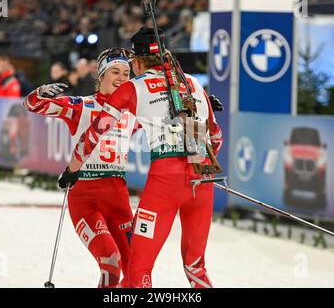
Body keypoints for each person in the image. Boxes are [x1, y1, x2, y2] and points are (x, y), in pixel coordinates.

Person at [60, 27, 223, 288]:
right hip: (202, 180)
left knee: (138, 269)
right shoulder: (192, 83)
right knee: (196, 266)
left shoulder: (133, 88)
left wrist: (72, 169)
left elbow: (95, 134)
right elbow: (216, 139)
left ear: (136, 62)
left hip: (165, 182)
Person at [23, 48, 137, 288]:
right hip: (86, 199)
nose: (121, 78)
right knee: (110, 262)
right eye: (115, 71)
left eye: (126, 73)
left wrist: (201, 106)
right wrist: (40, 92)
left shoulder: (131, 114)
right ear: (100, 75)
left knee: (135, 271)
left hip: (120, 199)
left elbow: (170, 121)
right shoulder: (82, 106)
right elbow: (33, 105)